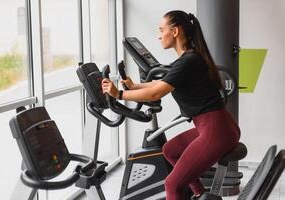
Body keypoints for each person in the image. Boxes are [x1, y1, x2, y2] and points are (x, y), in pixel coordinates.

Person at [101, 10, 240, 200]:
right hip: (217, 126)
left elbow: (156, 92)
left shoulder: (188, 61)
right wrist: (135, 86)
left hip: (216, 129)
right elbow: (161, 83)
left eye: (161, 30)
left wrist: (119, 94)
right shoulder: (189, 58)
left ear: (174, 31)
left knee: (172, 184)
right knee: (170, 150)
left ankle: (193, 194)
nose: (159, 35)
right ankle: (200, 194)